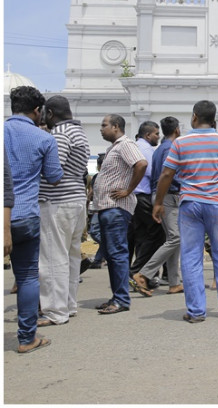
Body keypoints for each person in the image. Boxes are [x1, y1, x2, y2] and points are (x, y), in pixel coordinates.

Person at [152, 101, 218, 322]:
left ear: (194, 117)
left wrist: (158, 202)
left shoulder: (181, 143)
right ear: (214, 119)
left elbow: (166, 174)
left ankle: (196, 311)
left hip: (190, 203)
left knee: (192, 256)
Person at [5, 86, 63, 353]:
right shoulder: (44, 138)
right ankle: (27, 339)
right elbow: (53, 176)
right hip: (25, 214)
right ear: (38, 110)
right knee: (28, 276)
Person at [37, 96, 91, 326]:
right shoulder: (79, 133)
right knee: (70, 256)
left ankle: (55, 311)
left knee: (52, 257)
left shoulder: (59, 135)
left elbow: (53, 172)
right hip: (76, 200)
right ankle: (68, 305)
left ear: (50, 114)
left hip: (57, 202)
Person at [91, 114, 148, 314]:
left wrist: (128, 190)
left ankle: (121, 299)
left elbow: (141, 164)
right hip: (107, 208)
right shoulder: (113, 147)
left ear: (116, 127)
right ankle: (117, 296)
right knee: (113, 255)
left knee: (117, 254)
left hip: (116, 208)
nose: (101, 129)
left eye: (104, 125)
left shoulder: (125, 144)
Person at [132, 117, 183, 296]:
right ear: (177, 130)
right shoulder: (170, 148)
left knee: (172, 239)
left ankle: (174, 282)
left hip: (161, 196)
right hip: (168, 196)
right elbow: (169, 175)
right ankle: (143, 274)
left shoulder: (160, 148)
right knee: (175, 238)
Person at [129, 121, 163, 284]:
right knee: (158, 233)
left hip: (134, 197)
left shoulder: (134, 146)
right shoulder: (146, 149)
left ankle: (145, 274)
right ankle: (138, 270)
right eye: (156, 133)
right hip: (143, 196)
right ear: (148, 135)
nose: (158, 136)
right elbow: (151, 171)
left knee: (142, 236)